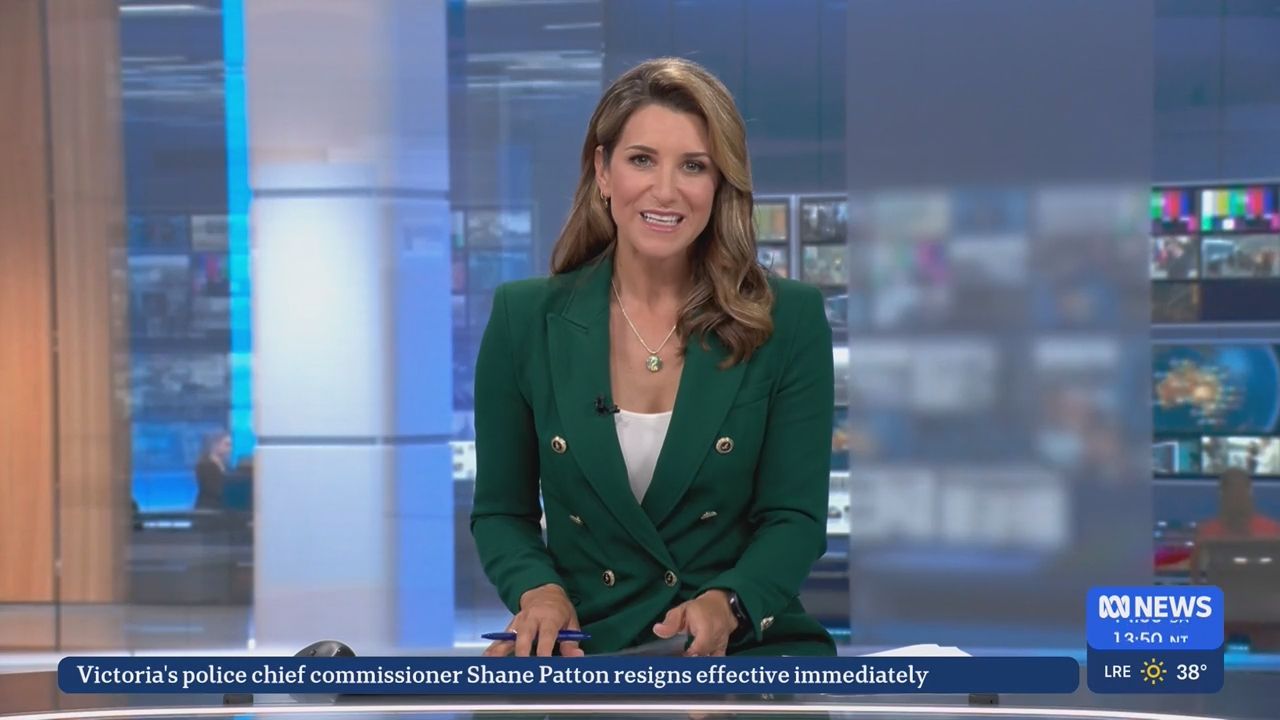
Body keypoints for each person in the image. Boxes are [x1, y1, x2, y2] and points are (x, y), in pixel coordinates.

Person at [471, 58, 835, 658]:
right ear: (602, 171)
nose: (665, 191)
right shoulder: (524, 319)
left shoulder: (788, 320)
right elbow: (501, 513)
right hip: (587, 650)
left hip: (740, 650)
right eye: (642, 160)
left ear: (719, 184)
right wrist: (540, 593)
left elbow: (794, 518)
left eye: (693, 166)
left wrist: (730, 601)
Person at [194, 430, 232, 511]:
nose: (230, 449)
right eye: (227, 445)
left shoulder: (226, 465)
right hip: (208, 511)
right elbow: (214, 489)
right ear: (215, 445)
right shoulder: (204, 465)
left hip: (222, 510)